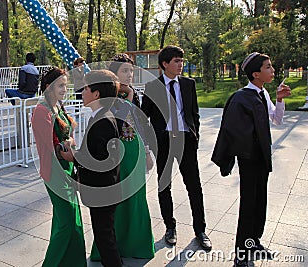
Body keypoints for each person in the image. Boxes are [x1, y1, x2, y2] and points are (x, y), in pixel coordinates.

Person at [211, 52, 291, 267]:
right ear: (256, 74)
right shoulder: (241, 98)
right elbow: (233, 131)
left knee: (259, 203)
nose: (272, 70)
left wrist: (280, 99)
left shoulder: (262, 94)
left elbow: (276, 120)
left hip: (262, 158)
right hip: (249, 160)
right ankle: (241, 253)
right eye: (268, 67)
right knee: (248, 205)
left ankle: (254, 242)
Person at [141, 45, 212, 250]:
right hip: (163, 143)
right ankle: (169, 227)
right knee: (165, 186)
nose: (181, 64)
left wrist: (195, 135)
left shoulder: (189, 84)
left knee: (194, 187)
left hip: (185, 142)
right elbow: (144, 117)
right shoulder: (153, 87)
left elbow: (194, 114)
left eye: (182, 61)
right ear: (165, 64)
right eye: (177, 61)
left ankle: (200, 230)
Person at [90, 53, 155, 261]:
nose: (129, 75)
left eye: (131, 70)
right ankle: (110, 248)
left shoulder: (135, 94)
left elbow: (139, 124)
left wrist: (146, 151)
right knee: (116, 202)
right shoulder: (109, 97)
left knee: (136, 200)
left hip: (134, 151)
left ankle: (137, 245)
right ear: (114, 74)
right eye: (124, 71)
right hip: (117, 153)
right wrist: (125, 98)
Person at [61, 70, 122, 267]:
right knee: (106, 234)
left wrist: (73, 156)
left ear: (96, 94)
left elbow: (101, 160)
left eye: (86, 88)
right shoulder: (101, 116)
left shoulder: (103, 120)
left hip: (102, 190)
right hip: (105, 188)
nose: (83, 91)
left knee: (105, 239)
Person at [31, 67, 87, 267]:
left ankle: (71, 262)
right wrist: (68, 146)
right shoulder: (41, 110)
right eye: (61, 85)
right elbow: (52, 146)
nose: (65, 88)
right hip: (55, 171)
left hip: (67, 167)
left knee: (69, 218)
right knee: (67, 222)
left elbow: (68, 137)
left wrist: (69, 143)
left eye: (66, 84)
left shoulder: (57, 107)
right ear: (48, 87)